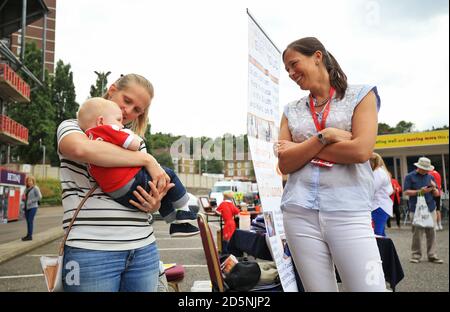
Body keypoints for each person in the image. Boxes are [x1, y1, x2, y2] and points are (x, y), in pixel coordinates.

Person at [277, 37, 386, 291]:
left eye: (294, 64)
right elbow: (284, 163)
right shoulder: (291, 109)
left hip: (348, 210)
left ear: (317, 56)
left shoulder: (361, 95)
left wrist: (301, 149)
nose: (291, 73)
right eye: (287, 70)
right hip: (299, 213)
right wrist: (325, 136)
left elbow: (360, 151)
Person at [57, 73, 179, 292]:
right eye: (127, 101)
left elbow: (145, 189)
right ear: (112, 90)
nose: (128, 112)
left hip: (143, 247)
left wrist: (155, 205)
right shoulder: (73, 127)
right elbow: (80, 148)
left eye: (137, 110)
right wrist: (147, 159)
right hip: (90, 250)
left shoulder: (133, 140)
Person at [77, 97, 198, 237]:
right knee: (168, 175)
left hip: (116, 193)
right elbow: (134, 145)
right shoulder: (106, 130)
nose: (121, 125)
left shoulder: (86, 138)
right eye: (118, 120)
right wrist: (130, 135)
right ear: (101, 121)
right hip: (130, 182)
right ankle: (184, 210)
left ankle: (175, 223)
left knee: (160, 190)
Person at [404, 157, 443, 264]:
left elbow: (437, 194)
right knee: (417, 233)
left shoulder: (430, 177)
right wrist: (420, 191)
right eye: (424, 169)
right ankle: (416, 255)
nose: (426, 171)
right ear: (419, 167)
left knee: (432, 232)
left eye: (427, 169)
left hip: (430, 207)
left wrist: (434, 188)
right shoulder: (409, 176)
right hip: (416, 208)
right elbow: (406, 192)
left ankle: (432, 255)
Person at [369, 153, 393, 237]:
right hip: (381, 207)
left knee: (377, 235)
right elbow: (390, 191)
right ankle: (386, 250)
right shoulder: (382, 172)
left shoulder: (378, 173)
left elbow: (371, 190)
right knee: (381, 234)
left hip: (378, 207)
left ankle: (383, 250)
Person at [21, 176, 42, 241]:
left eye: (30, 181)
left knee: (30, 221)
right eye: (27, 181)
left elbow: (39, 197)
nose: (29, 182)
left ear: (33, 181)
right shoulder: (26, 189)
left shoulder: (35, 188)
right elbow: (24, 196)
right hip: (26, 207)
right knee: (28, 221)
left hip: (33, 207)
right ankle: (28, 235)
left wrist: (31, 201)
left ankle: (30, 236)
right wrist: (23, 198)